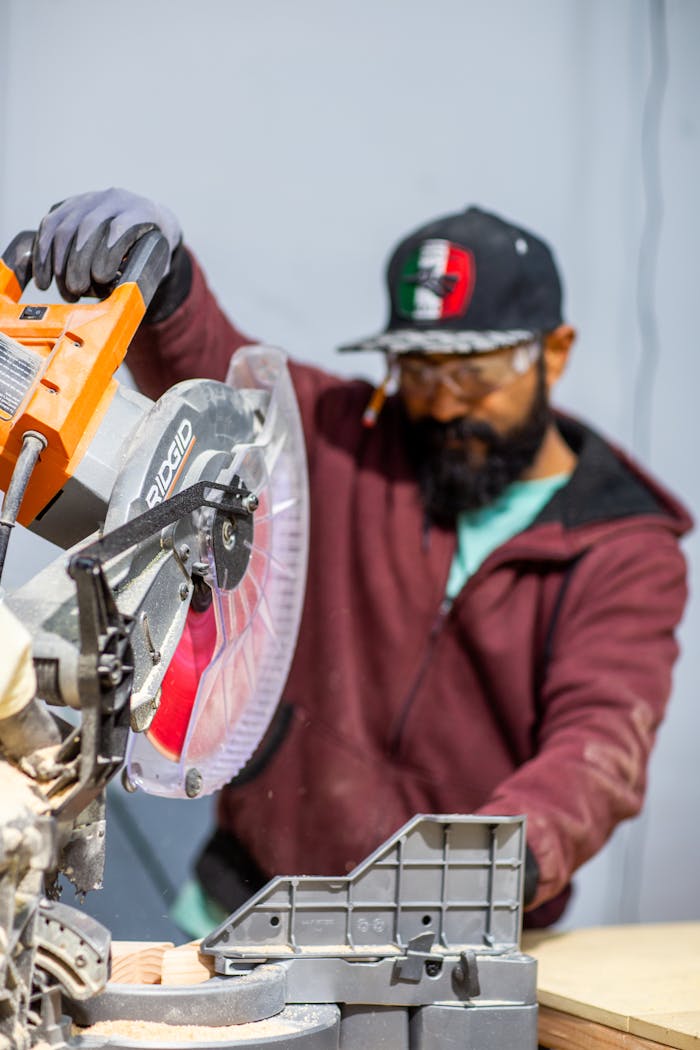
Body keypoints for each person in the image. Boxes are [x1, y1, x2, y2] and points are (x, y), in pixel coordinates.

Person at [32, 189, 691, 931]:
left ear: (555, 353)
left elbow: (599, 747)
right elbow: (228, 392)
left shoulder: (624, 549)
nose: (441, 405)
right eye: (416, 369)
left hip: (448, 941)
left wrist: (486, 869)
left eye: (472, 374)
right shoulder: (350, 440)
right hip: (242, 902)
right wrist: (169, 287)